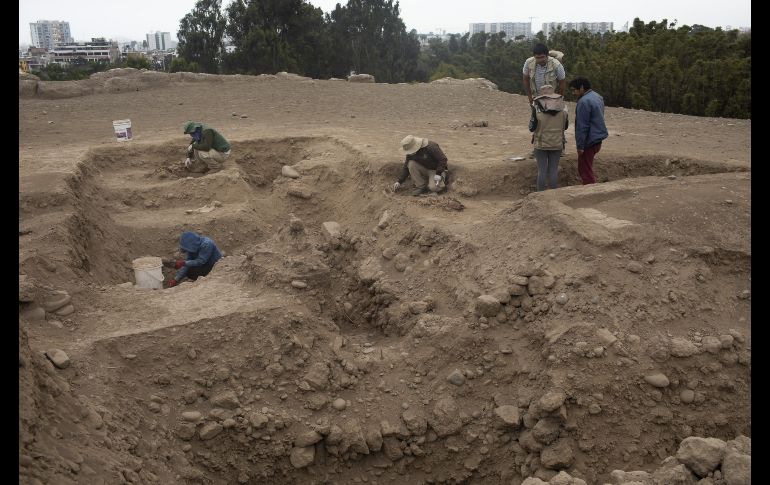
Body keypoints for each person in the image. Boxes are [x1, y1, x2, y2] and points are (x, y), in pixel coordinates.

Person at [529, 85, 568, 191]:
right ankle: (553, 195)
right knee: (553, 170)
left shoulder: (536, 108)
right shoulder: (563, 108)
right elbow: (565, 126)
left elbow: (531, 128)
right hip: (557, 143)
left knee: (542, 170)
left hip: (541, 144)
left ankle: (540, 195)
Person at [569, 77, 608, 185]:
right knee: (588, 166)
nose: (573, 93)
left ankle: (591, 194)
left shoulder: (583, 102)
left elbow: (582, 126)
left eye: (574, 90)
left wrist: (580, 146)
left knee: (585, 170)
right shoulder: (597, 96)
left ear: (581, 88)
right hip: (598, 138)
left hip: (589, 141)